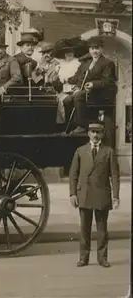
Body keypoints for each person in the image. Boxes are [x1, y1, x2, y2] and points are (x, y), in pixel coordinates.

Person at [69, 120, 120, 268]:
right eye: (93, 132)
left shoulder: (109, 152)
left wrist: (115, 196)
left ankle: (102, 258)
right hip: (83, 194)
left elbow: (115, 176)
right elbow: (73, 174)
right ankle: (83, 258)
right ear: (88, 133)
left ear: (103, 134)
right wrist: (72, 194)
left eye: (98, 132)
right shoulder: (80, 151)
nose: (95, 135)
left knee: (102, 230)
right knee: (84, 229)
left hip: (102, 195)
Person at [64, 36, 117, 134]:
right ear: (89, 50)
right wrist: (70, 82)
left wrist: (93, 84)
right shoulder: (86, 63)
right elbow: (79, 77)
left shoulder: (108, 63)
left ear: (102, 49)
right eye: (92, 49)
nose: (95, 51)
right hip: (87, 92)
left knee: (78, 96)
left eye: (97, 48)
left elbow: (108, 81)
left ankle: (82, 125)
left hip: (101, 94)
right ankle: (71, 125)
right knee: (67, 100)